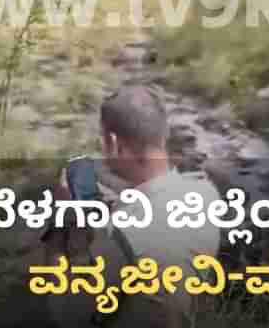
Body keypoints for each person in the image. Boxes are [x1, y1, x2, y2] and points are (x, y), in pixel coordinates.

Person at [41, 86, 222, 328]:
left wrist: (61, 222)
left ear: (113, 143)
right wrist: (121, 203)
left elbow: (63, 313)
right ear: (163, 133)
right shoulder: (205, 193)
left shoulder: (118, 235)